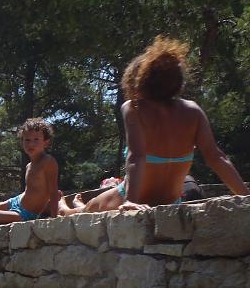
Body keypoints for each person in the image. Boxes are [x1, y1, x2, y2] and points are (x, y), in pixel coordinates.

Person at [59, 36, 249, 214]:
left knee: (92, 207)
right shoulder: (193, 110)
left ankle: (70, 209)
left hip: (129, 198)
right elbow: (216, 157)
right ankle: (72, 208)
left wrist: (130, 201)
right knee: (89, 206)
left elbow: (137, 157)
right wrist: (245, 196)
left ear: (137, 81)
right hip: (172, 202)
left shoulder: (134, 108)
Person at [0, 118, 60, 225]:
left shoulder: (48, 161)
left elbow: (53, 191)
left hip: (26, 213)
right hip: (16, 201)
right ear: (22, 142)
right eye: (27, 140)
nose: (31, 144)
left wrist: (54, 218)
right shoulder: (29, 165)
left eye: (36, 140)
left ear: (45, 143)